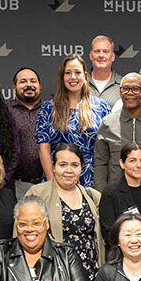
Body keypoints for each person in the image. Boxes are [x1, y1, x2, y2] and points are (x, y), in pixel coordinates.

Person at [27, 143, 104, 281]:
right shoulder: (37, 194)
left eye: (75, 165)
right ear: (54, 167)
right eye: (63, 165)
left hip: (91, 275)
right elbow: (22, 235)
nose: (69, 170)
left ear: (82, 168)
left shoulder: (93, 196)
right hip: (54, 278)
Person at [35, 55, 112, 188]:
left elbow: (108, 148)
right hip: (57, 179)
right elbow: (44, 149)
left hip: (92, 181)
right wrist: (52, 184)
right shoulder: (49, 108)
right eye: (68, 73)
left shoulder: (101, 107)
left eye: (77, 72)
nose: (73, 77)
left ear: (85, 75)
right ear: (62, 76)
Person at [99, 142, 141, 253]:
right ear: (122, 163)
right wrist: (131, 254)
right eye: (132, 161)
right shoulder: (110, 193)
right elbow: (109, 232)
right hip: (121, 257)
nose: (139, 165)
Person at [9, 66, 45, 198]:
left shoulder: (51, 110)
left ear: (40, 86)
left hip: (47, 182)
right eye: (23, 81)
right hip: (16, 185)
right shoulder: (5, 111)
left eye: (33, 81)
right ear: (14, 88)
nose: (29, 85)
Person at [88, 35, 122, 106]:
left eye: (105, 51)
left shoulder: (123, 85)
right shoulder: (80, 83)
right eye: (97, 51)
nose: (101, 55)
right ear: (91, 56)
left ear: (113, 57)